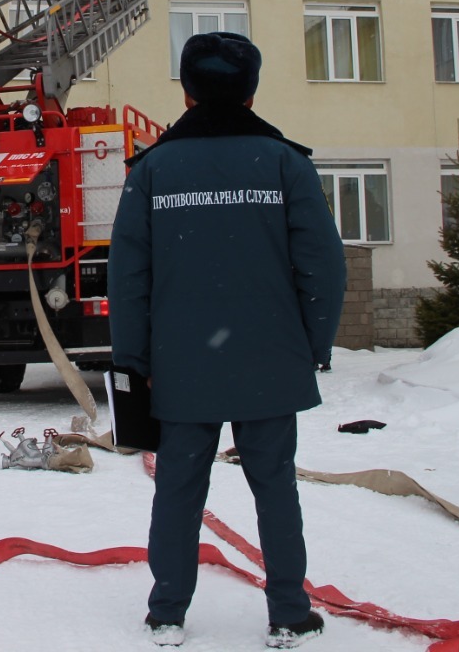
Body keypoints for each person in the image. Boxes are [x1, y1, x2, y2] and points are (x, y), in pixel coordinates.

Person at [109, 32, 346, 648]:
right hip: (270, 359)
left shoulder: (153, 170)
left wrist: (134, 361)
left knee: (178, 490)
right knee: (276, 489)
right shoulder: (285, 163)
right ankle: (290, 614)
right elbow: (324, 266)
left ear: (187, 93)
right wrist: (311, 346)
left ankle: (167, 614)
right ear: (251, 93)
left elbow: (128, 276)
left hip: (181, 365)